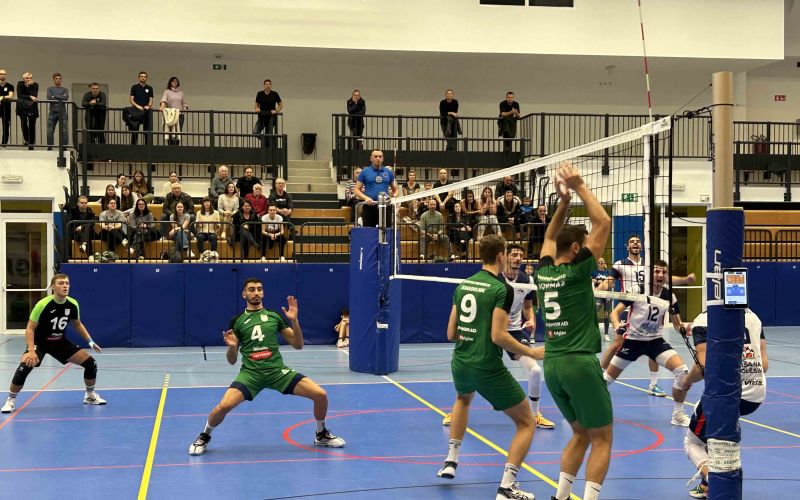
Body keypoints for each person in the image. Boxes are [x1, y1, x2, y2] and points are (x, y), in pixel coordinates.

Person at [436, 233, 544, 500]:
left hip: (461, 361)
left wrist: (474, 334)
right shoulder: (501, 289)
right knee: (527, 423)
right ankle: (507, 487)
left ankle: (451, 461)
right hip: (486, 366)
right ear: (500, 256)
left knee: (463, 399)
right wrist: (531, 352)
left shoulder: (463, 285)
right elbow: (498, 336)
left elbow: (450, 333)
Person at [188, 278, 345, 455]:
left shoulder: (274, 316)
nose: (256, 293)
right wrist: (232, 346)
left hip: (278, 372)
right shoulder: (237, 321)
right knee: (223, 406)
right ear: (244, 294)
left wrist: (294, 321)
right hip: (251, 374)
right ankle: (204, 435)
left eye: (259, 289)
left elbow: (298, 345)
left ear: (263, 293)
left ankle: (321, 434)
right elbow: (231, 360)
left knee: (320, 395)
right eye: (251, 289)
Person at [535, 162, 612, 500]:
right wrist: (579, 186)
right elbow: (603, 222)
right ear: (578, 250)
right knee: (602, 438)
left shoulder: (542, 273)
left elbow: (549, 237)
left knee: (580, 434)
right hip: (579, 363)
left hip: (552, 365)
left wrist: (563, 202)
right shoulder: (579, 272)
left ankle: (561, 496)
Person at [442, 243, 556, 430]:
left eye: (521, 255)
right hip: (491, 330)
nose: (518, 258)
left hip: (514, 332)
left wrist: (531, 319)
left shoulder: (526, 280)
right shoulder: (494, 279)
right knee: (473, 368)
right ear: (504, 257)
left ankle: (535, 415)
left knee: (535, 370)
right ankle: (455, 411)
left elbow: (528, 307)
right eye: (514, 255)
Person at [683, 308, 767, 499]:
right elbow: (765, 364)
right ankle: (706, 484)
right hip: (755, 394)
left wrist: (685, 382)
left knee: (692, 443)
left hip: (726, 396)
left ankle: (717, 483)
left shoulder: (703, 319)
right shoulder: (754, 317)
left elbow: (704, 366)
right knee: (717, 433)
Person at [600, 234, 695, 396]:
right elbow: (609, 283)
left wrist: (685, 280)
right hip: (632, 306)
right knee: (616, 345)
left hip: (652, 321)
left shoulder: (650, 266)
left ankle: (653, 384)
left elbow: (666, 279)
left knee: (658, 352)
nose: (635, 243)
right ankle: (600, 375)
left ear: (642, 246)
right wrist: (595, 291)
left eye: (638, 241)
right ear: (627, 246)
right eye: (632, 241)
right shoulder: (621, 265)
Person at [601, 261, 692, 427]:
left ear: (666, 276)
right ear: (650, 274)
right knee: (606, 379)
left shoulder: (669, 296)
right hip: (633, 341)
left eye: (663, 272)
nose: (660, 275)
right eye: (657, 271)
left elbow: (677, 324)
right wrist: (616, 324)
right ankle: (581, 407)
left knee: (682, 371)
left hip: (655, 341)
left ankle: (678, 415)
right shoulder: (637, 290)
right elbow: (614, 313)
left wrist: (684, 328)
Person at [2, 274, 106, 414]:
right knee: (24, 367)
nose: (65, 286)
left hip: (59, 342)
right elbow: (30, 329)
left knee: (91, 363)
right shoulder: (43, 304)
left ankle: (90, 396)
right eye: (61, 283)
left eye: (67, 283)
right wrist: (31, 351)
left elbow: (78, 325)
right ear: (53, 287)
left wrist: (90, 341)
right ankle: (10, 400)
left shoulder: (72, 304)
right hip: (40, 342)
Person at [354, 149, 398, 228]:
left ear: (383, 158)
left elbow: (396, 190)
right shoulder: (364, 172)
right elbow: (356, 190)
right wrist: (366, 198)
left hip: (385, 206)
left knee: (386, 231)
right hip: (369, 206)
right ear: (371, 158)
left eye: (380, 156)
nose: (378, 158)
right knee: (368, 231)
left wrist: (394, 197)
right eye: (375, 156)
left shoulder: (389, 172)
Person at [160, 76, 189, 145]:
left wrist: (185, 108)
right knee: (170, 131)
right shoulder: (167, 92)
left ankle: (176, 147)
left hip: (180, 115)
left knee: (178, 132)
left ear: (178, 83)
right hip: (170, 115)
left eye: (176, 81)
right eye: (173, 81)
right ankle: (170, 147)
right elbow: (163, 101)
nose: (174, 82)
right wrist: (162, 107)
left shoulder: (181, 93)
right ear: (170, 83)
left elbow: (184, 103)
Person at [254, 79, 283, 148]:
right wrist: (257, 108)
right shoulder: (260, 93)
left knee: (268, 135)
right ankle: (265, 141)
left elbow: (280, 104)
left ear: (271, 85)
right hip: (262, 117)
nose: (268, 85)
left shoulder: (275, 94)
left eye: (269, 84)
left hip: (271, 118)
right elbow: (256, 104)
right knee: (255, 132)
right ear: (264, 85)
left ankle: (267, 148)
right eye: (266, 84)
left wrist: (276, 111)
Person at [129, 71, 154, 145]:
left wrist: (148, 106)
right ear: (139, 77)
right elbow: (131, 100)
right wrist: (137, 106)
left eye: (144, 76)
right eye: (141, 76)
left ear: (146, 78)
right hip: (136, 111)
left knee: (147, 130)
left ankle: (147, 147)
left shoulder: (149, 88)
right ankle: (133, 146)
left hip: (146, 111)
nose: (143, 78)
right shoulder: (134, 87)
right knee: (135, 129)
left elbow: (151, 100)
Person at [46, 73, 69, 149]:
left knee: (64, 131)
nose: (58, 80)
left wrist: (55, 96)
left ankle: (64, 147)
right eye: (56, 79)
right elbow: (49, 98)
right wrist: (60, 97)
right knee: (50, 131)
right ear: (53, 80)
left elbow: (66, 98)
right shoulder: (50, 89)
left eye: (59, 78)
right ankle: (50, 147)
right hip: (52, 112)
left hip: (62, 112)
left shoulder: (65, 89)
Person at [16, 72, 39, 149]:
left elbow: (34, 95)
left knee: (32, 125)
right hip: (22, 107)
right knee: (23, 124)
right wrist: (30, 96)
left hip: (32, 107)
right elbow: (19, 95)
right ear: (23, 79)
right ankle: (27, 140)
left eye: (30, 78)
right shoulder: (20, 84)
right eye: (27, 78)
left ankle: (31, 144)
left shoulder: (35, 84)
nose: (29, 79)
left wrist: (29, 86)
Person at [592, 258, 611, 341]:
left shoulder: (608, 272)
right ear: (597, 263)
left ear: (604, 263)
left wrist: (603, 283)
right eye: (599, 262)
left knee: (606, 315)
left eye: (602, 261)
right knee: (595, 313)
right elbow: (590, 279)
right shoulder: (594, 272)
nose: (600, 263)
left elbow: (612, 284)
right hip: (598, 295)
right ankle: (594, 333)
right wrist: (594, 280)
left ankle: (606, 334)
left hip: (607, 295)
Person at [0, 69, 14, 145]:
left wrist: (2, 97)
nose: (2, 75)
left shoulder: (10, 86)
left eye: (4, 74)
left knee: (6, 127)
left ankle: (3, 145)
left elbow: (11, 96)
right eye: (1, 74)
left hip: (6, 109)